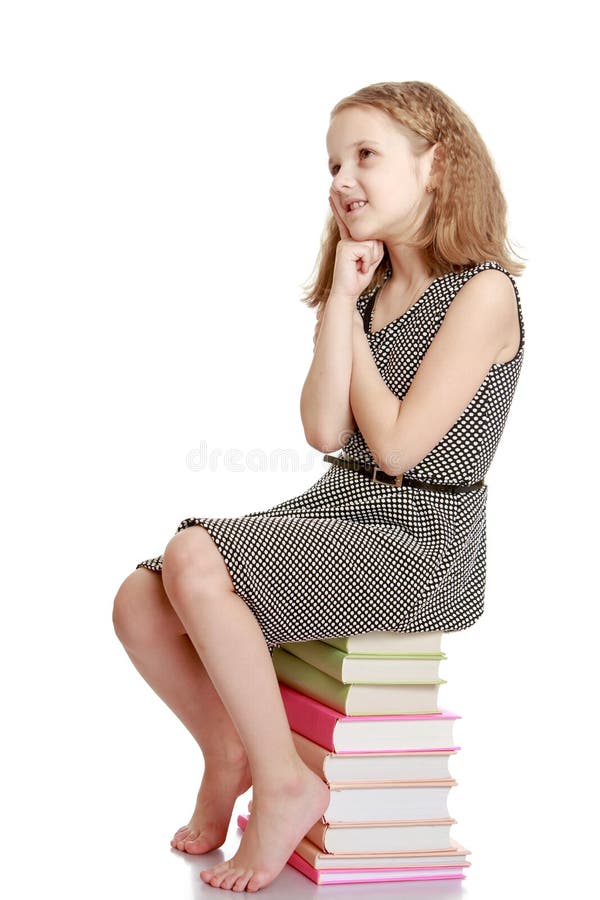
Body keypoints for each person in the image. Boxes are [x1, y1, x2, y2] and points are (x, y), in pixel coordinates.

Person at [112, 80, 526, 893]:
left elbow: (403, 448)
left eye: (365, 155)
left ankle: (286, 783)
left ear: (437, 166)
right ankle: (228, 750)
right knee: (138, 598)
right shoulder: (365, 288)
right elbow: (324, 432)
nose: (341, 179)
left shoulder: (482, 292)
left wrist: (351, 320)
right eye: (334, 162)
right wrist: (341, 297)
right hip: (340, 505)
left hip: (421, 540)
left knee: (197, 557)